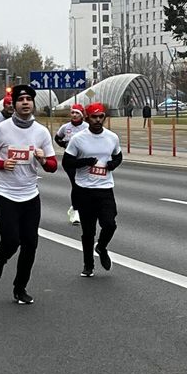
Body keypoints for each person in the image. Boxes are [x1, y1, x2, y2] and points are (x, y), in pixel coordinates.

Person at [0, 85, 58, 304]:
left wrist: (43, 160)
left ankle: (20, 287)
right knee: (11, 239)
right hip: (5, 193)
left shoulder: (41, 132)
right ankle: (0, 257)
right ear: (13, 104)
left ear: (33, 104)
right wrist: (2, 163)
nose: (25, 102)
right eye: (21, 99)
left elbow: (52, 166)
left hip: (30, 194)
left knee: (30, 243)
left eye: (28, 99)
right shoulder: (1, 129)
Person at [62, 103, 122, 277]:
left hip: (105, 188)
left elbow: (118, 155)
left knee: (110, 224)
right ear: (87, 118)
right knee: (88, 231)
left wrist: (113, 164)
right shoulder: (78, 139)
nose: (97, 120)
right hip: (85, 189)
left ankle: (101, 247)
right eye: (94, 117)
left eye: (101, 116)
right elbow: (67, 162)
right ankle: (88, 265)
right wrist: (85, 162)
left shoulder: (112, 137)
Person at [54, 103, 89, 225]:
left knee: (84, 186)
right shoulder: (65, 127)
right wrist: (64, 144)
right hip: (70, 161)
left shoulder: (87, 127)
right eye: (73, 113)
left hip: (83, 160)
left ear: (82, 115)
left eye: (77, 113)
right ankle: (76, 210)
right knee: (76, 185)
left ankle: (79, 207)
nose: (74, 115)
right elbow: (57, 138)